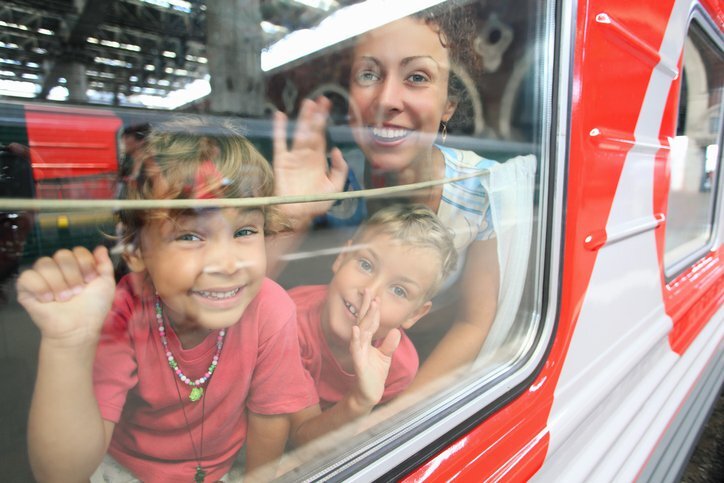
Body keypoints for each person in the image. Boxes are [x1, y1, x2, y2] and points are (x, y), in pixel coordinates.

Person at [16, 117, 319, 482]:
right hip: (126, 470)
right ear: (135, 251)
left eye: (244, 231)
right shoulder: (123, 314)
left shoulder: (271, 309)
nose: (226, 264)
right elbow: (61, 475)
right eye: (190, 236)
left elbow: (269, 416)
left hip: (220, 470)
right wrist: (67, 344)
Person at [273, 4, 500, 392]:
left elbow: (473, 322)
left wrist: (389, 420)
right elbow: (240, 302)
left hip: (424, 374)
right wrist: (293, 214)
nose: (386, 99)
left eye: (417, 77)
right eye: (368, 74)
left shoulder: (483, 189)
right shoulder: (335, 180)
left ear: (449, 103)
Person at [287, 205, 457, 443]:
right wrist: (358, 401)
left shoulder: (398, 368)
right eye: (366, 264)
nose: (370, 292)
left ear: (415, 314)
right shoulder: (287, 325)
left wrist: (363, 400)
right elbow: (298, 437)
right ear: (342, 258)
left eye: (398, 290)